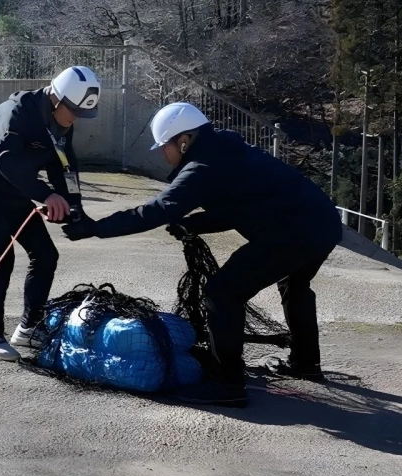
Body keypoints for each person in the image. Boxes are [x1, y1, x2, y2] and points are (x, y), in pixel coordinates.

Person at [61, 101, 343, 408]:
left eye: (163, 146)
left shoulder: (202, 165)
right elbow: (237, 209)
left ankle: (228, 384)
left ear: (183, 140)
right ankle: (305, 363)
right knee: (294, 285)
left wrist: (94, 227)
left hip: (293, 233)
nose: (163, 154)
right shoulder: (226, 150)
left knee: (222, 293)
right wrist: (193, 224)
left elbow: (155, 210)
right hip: (322, 223)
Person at [0, 66, 102, 362]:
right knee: (1, 255)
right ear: (55, 98)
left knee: (46, 254)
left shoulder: (61, 123)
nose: (75, 119)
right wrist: (45, 195)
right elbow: (6, 161)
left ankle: (29, 327)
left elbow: (63, 165)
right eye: (72, 111)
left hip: (17, 193)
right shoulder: (17, 114)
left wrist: (73, 207)